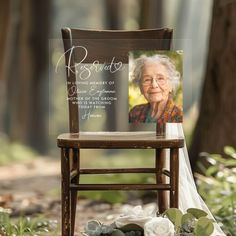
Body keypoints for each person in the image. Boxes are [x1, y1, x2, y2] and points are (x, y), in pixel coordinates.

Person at [129, 54, 182, 124]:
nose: (154, 85)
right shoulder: (134, 113)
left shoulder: (179, 116)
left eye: (160, 78)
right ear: (140, 87)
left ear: (171, 85)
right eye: (147, 80)